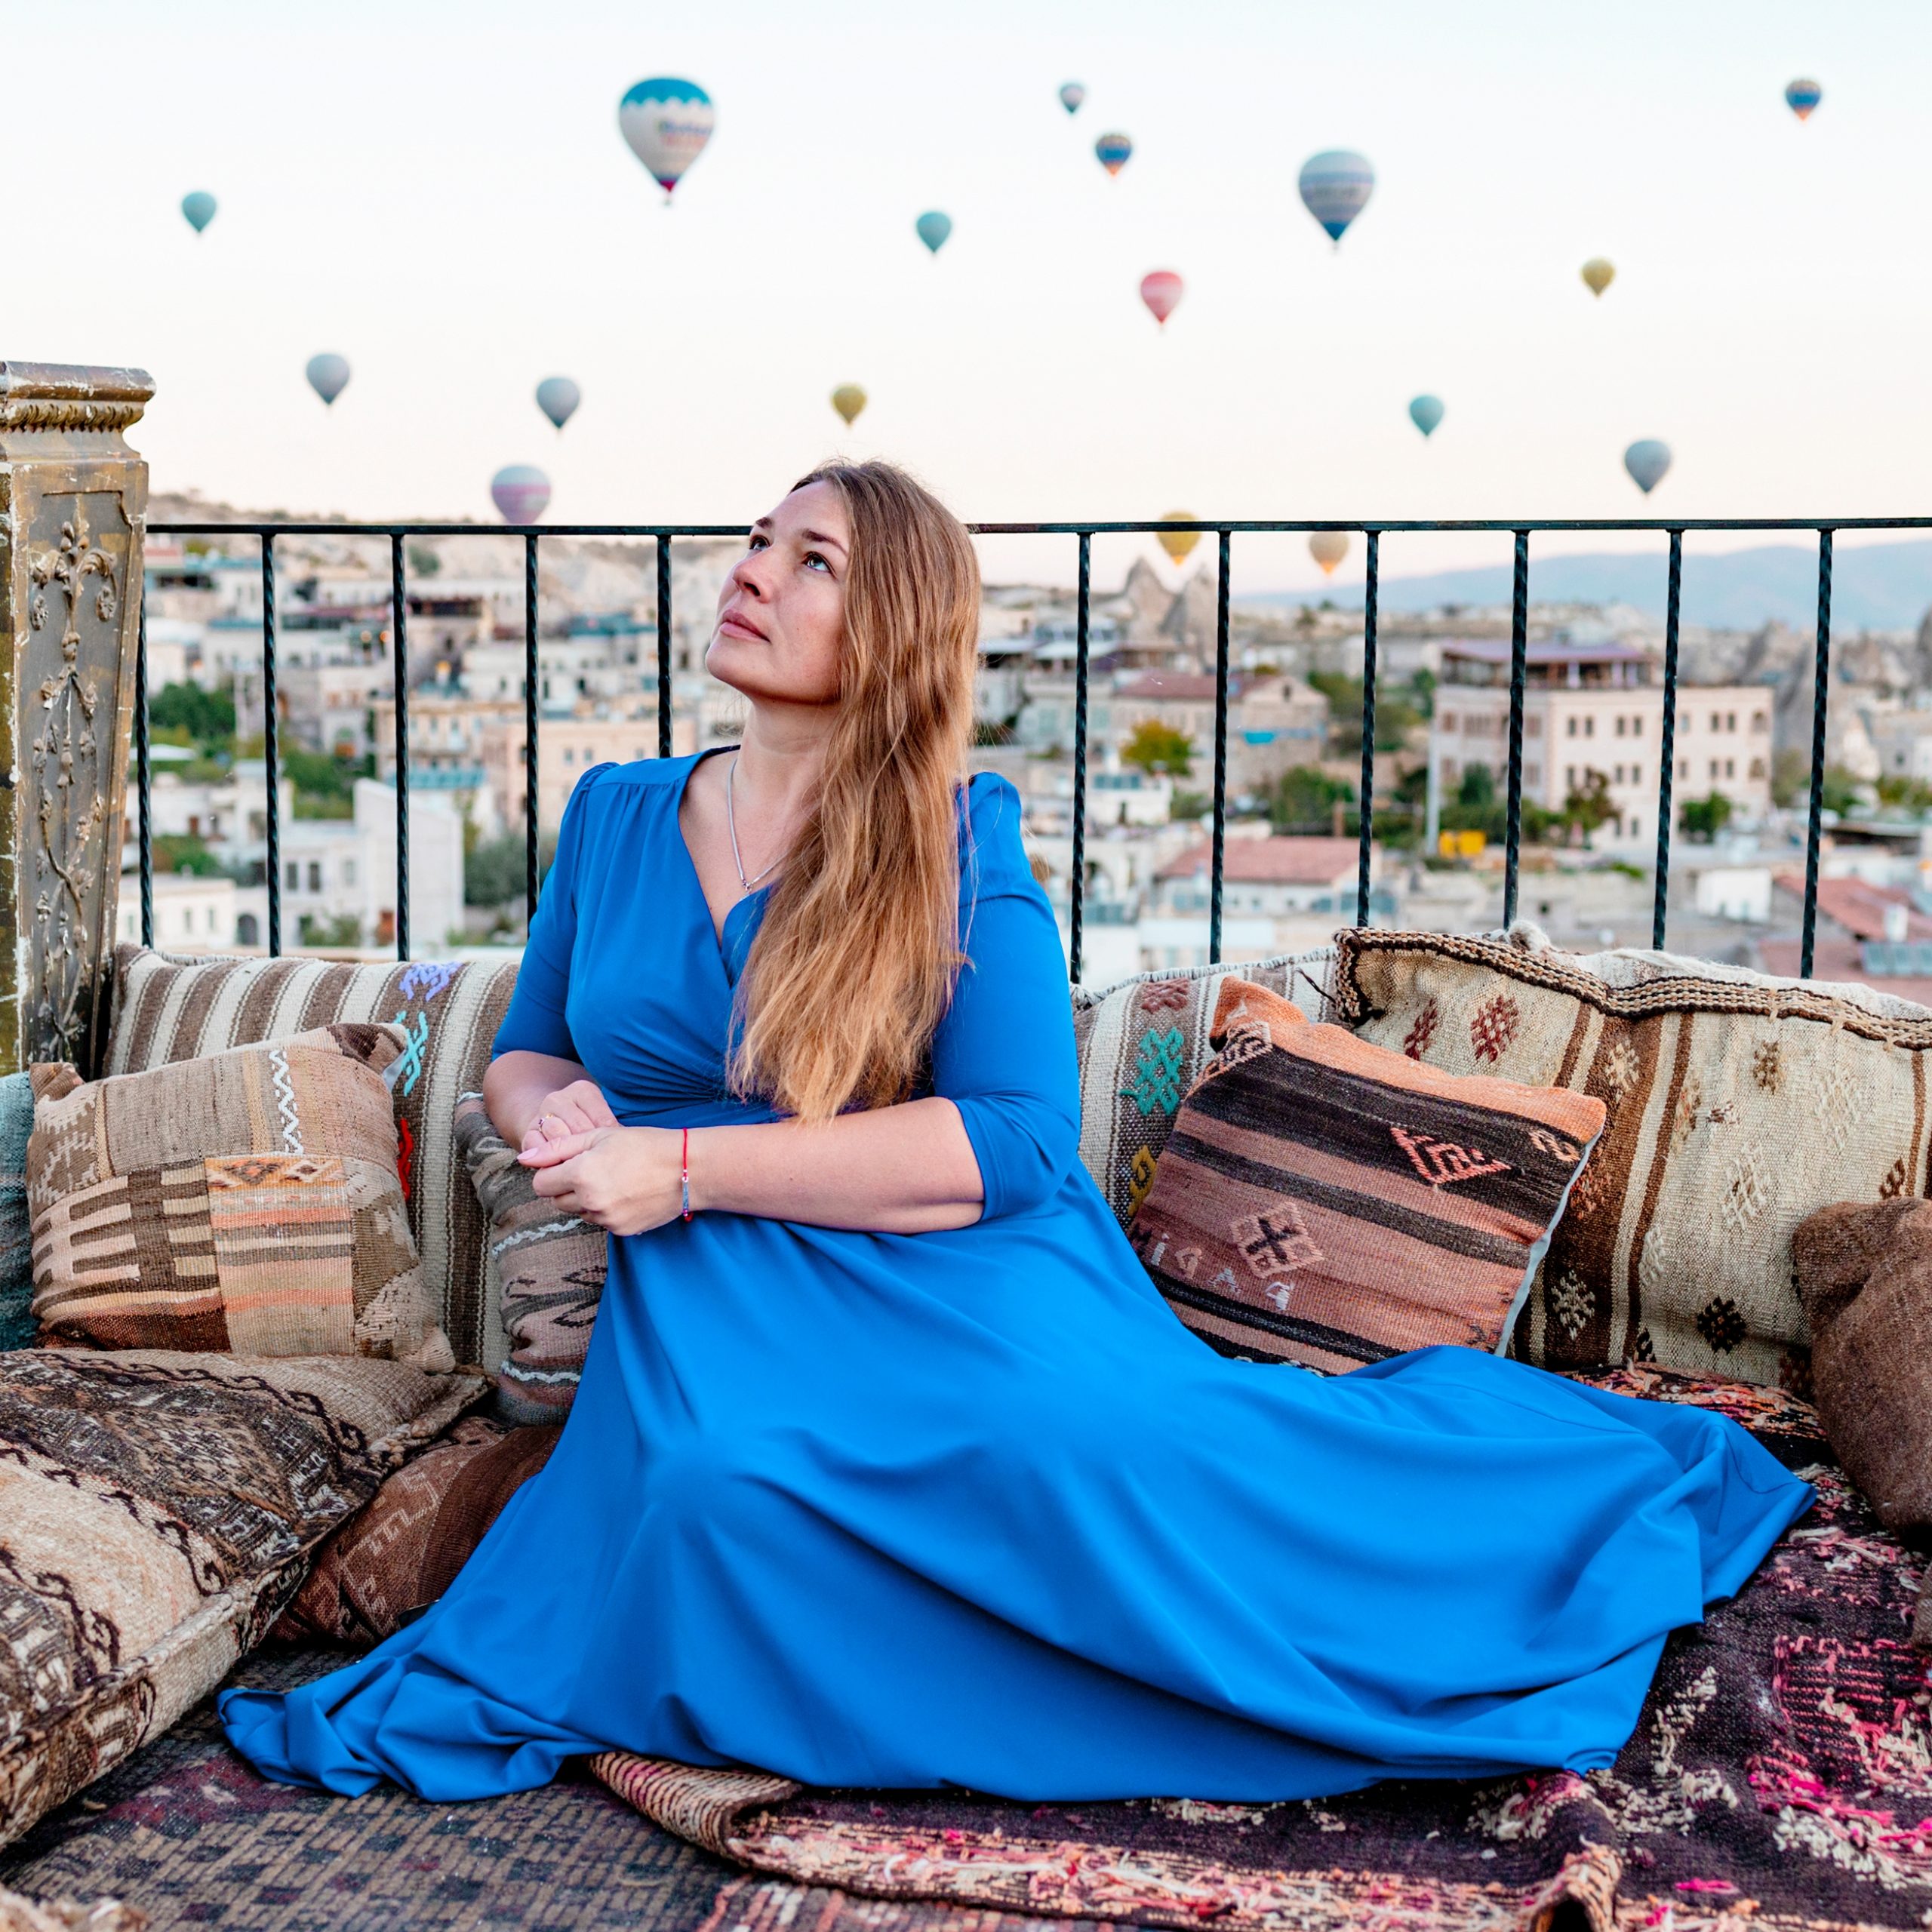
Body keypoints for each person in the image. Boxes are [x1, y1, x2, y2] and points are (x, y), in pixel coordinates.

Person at [221, 462, 1810, 1803]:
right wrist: (547, 1106)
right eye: (759, 541)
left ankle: (1506, 1544)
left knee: (1097, 1455)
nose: (752, 572)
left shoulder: (950, 834)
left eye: (810, 558)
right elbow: (530, 1044)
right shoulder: (616, 814)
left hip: (947, 1262)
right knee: (708, 1491)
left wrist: (680, 1160)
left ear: (893, 622)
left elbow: (1011, 1144)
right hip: (717, 1287)